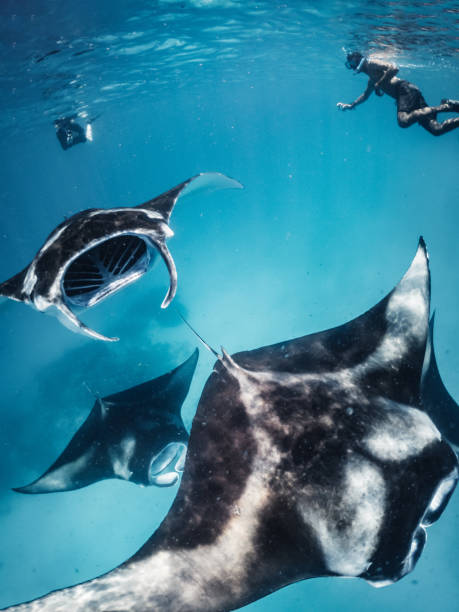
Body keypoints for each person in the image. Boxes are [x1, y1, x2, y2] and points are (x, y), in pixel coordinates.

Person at [337, 52, 459, 136]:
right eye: (350, 65)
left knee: (403, 121)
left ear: (358, 58)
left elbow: (394, 67)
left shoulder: (371, 63)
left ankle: (446, 106)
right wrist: (351, 105)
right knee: (436, 129)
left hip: (405, 90)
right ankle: (448, 107)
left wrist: (379, 83)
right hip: (409, 93)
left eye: (352, 63)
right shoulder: (371, 79)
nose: (352, 67)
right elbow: (365, 95)